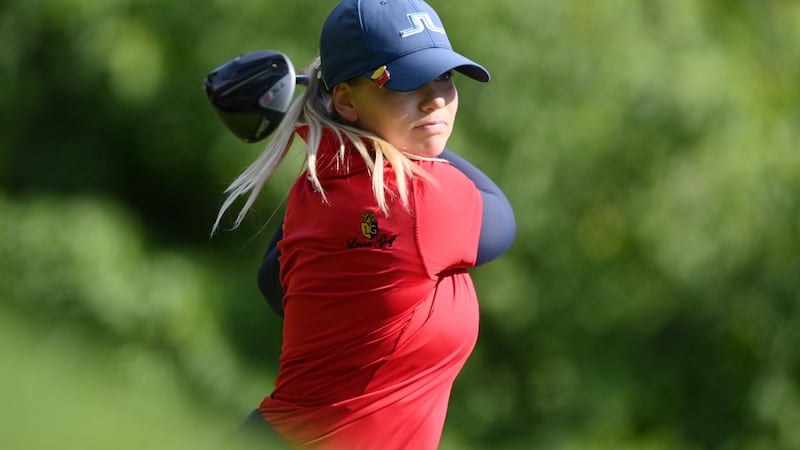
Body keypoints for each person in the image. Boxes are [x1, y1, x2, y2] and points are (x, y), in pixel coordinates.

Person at [215, 0, 516, 448]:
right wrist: (416, 143)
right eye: (407, 81)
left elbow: (272, 282)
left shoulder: (316, 189)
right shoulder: (422, 199)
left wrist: (349, 127)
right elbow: (502, 219)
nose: (435, 97)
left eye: (445, 76)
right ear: (346, 100)